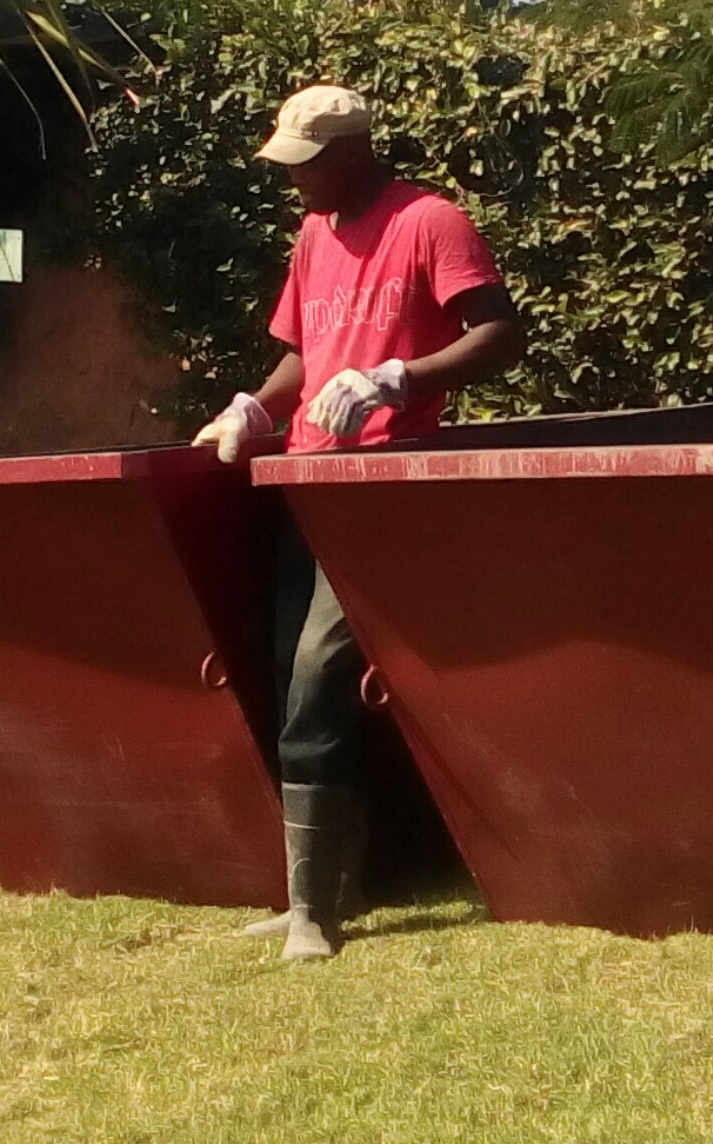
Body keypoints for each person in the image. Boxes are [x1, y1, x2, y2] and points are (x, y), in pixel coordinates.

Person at [193, 83, 524, 960]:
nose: (294, 182)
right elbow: (304, 354)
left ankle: (318, 914)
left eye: (305, 166)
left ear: (351, 153)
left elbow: (500, 336)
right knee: (282, 666)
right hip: (307, 477)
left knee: (316, 673)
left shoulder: (430, 221)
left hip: (383, 485)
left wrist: (397, 379)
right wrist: (255, 410)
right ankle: (315, 889)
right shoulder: (313, 234)